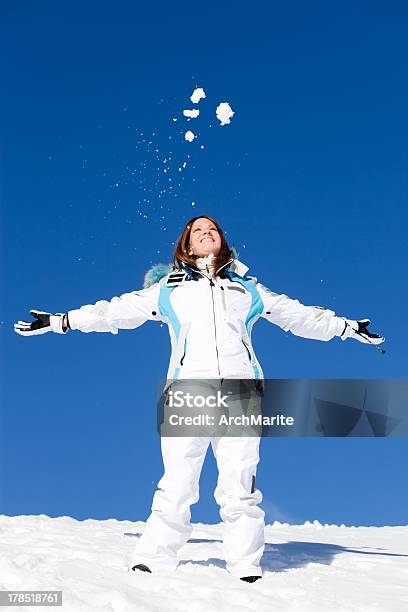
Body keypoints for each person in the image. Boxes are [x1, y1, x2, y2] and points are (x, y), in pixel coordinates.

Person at [14, 215, 385, 582]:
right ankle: (154, 560)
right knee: (177, 481)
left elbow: (298, 316)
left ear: (222, 242)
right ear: (187, 246)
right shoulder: (168, 292)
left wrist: (346, 328)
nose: (206, 234)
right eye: (198, 231)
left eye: (213, 230)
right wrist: (63, 321)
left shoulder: (248, 291)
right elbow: (115, 311)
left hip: (240, 394)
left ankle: (245, 567)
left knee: (240, 486)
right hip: (187, 391)